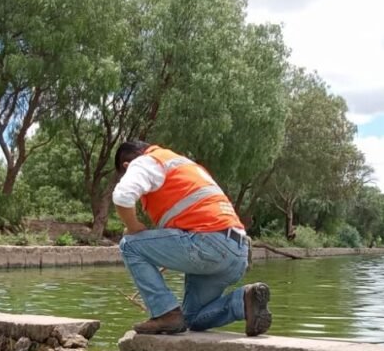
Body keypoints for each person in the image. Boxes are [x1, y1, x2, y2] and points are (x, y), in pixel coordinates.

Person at [112, 141, 272, 336]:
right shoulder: (184, 165)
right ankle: (244, 300)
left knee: (130, 246)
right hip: (237, 252)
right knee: (192, 319)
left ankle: (165, 313)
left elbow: (122, 197)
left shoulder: (147, 161)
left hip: (208, 243)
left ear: (127, 167)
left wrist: (133, 227)